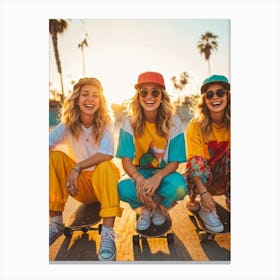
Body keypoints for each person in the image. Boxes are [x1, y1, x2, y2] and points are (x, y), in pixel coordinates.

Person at [49, 77, 123, 261]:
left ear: (100, 101)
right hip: (79, 187)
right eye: (85, 94)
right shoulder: (67, 124)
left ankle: (107, 233)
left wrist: (77, 167)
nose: (90, 99)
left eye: (95, 95)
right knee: (53, 157)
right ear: (76, 98)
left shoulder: (106, 122)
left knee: (106, 166)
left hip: (102, 186)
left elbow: (106, 153)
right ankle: (56, 221)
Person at [116, 71, 187, 231]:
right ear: (138, 96)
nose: (149, 96)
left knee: (180, 187)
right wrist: (139, 178)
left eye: (155, 92)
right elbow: (126, 161)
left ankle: (160, 207)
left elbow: (174, 162)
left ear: (162, 96)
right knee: (122, 188)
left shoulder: (174, 122)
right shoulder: (129, 123)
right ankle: (145, 208)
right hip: (140, 172)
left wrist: (157, 177)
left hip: (165, 173)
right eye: (144, 92)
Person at [185, 74, 230, 233]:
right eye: (209, 95)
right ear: (204, 100)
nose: (215, 97)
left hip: (224, 177)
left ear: (228, 95)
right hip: (199, 180)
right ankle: (206, 209)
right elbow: (194, 161)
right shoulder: (196, 124)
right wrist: (203, 193)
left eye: (220, 93)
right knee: (198, 161)